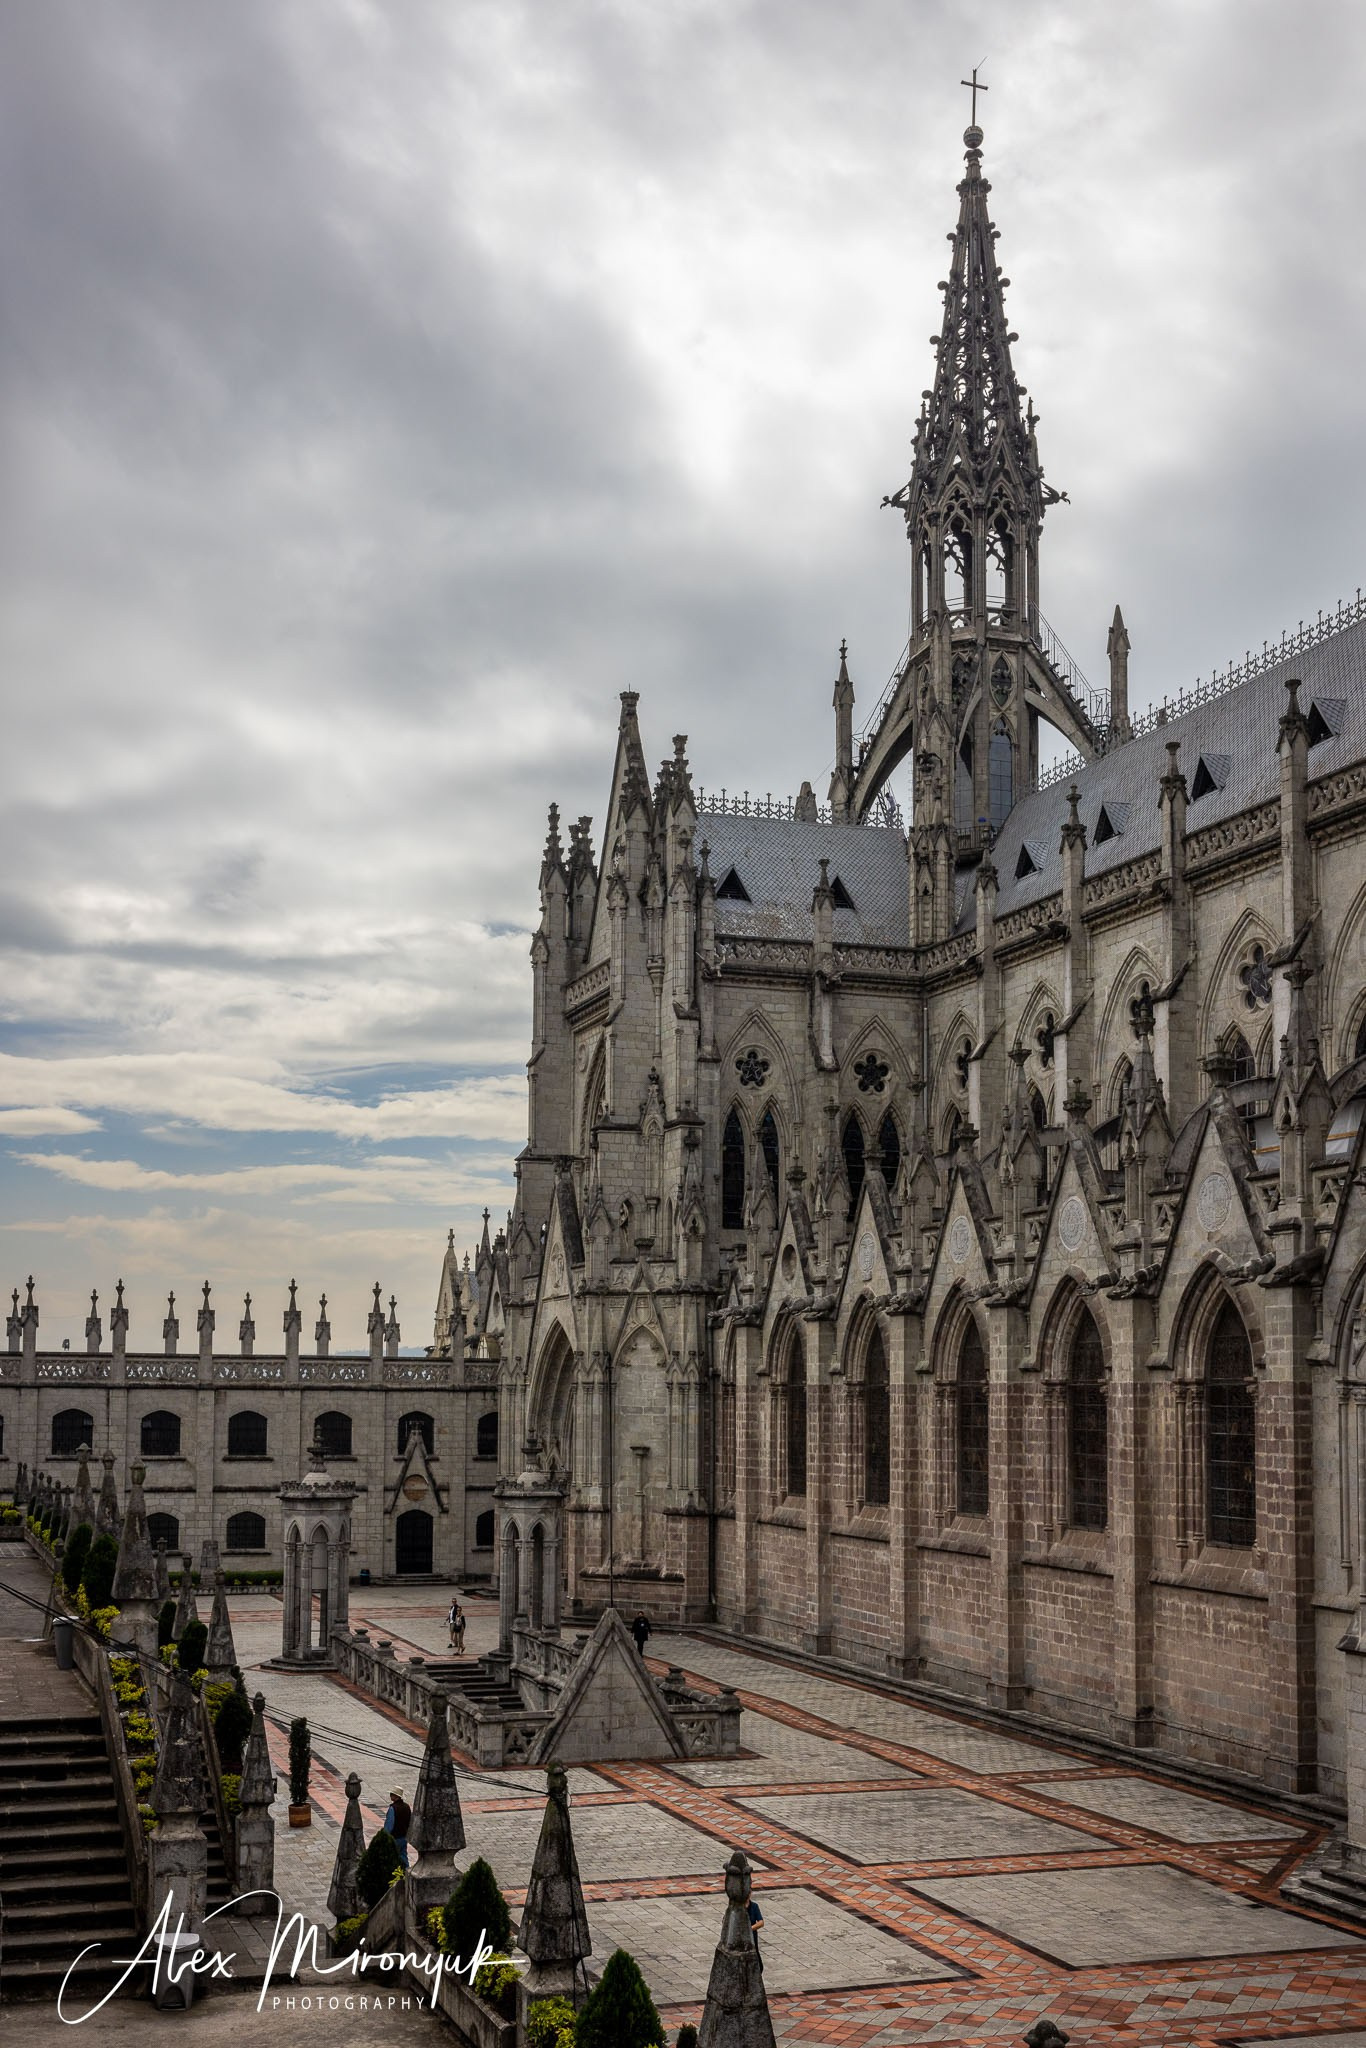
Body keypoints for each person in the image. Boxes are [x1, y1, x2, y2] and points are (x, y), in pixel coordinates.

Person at [384, 1787, 412, 1867]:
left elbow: (389, 1825)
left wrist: (385, 1836)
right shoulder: (407, 1807)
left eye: (391, 1794)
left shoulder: (393, 1808)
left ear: (395, 1796)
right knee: (403, 1856)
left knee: (391, 1857)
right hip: (404, 1836)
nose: (390, 1796)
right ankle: (405, 1873)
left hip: (395, 1837)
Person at [748, 1889, 764, 1971]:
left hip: (752, 1937)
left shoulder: (754, 1906)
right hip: (741, 1938)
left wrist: (750, 1929)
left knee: (758, 1965)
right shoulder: (736, 1908)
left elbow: (761, 1922)